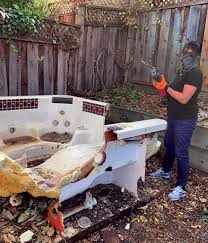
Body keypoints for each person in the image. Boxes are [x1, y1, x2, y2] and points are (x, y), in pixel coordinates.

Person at [150, 41, 203, 201]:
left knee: (181, 152)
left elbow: (184, 98)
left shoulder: (195, 73)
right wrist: (159, 84)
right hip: (173, 116)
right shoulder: (182, 71)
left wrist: (165, 87)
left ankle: (181, 186)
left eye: (190, 53)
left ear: (196, 57)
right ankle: (166, 171)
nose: (186, 56)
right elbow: (169, 92)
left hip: (185, 120)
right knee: (170, 144)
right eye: (184, 52)